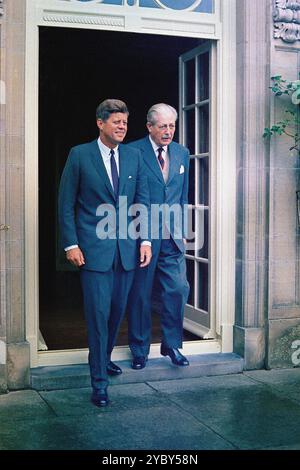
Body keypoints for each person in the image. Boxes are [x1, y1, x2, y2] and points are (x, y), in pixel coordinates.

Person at [58, 99, 152, 407]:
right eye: (116, 122)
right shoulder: (80, 155)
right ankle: (99, 382)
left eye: (125, 122)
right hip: (92, 253)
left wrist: (145, 241)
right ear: (101, 124)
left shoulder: (134, 156)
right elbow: (66, 203)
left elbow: (142, 201)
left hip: (126, 252)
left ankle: (105, 359)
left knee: (114, 314)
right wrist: (71, 244)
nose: (123, 127)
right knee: (97, 316)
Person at [127, 103, 190, 370]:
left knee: (177, 289)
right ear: (149, 127)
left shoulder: (181, 153)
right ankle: (139, 350)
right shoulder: (132, 151)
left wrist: (183, 229)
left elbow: (182, 196)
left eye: (172, 126)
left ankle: (171, 344)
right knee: (140, 294)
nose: (168, 131)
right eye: (162, 126)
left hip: (172, 236)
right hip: (142, 235)